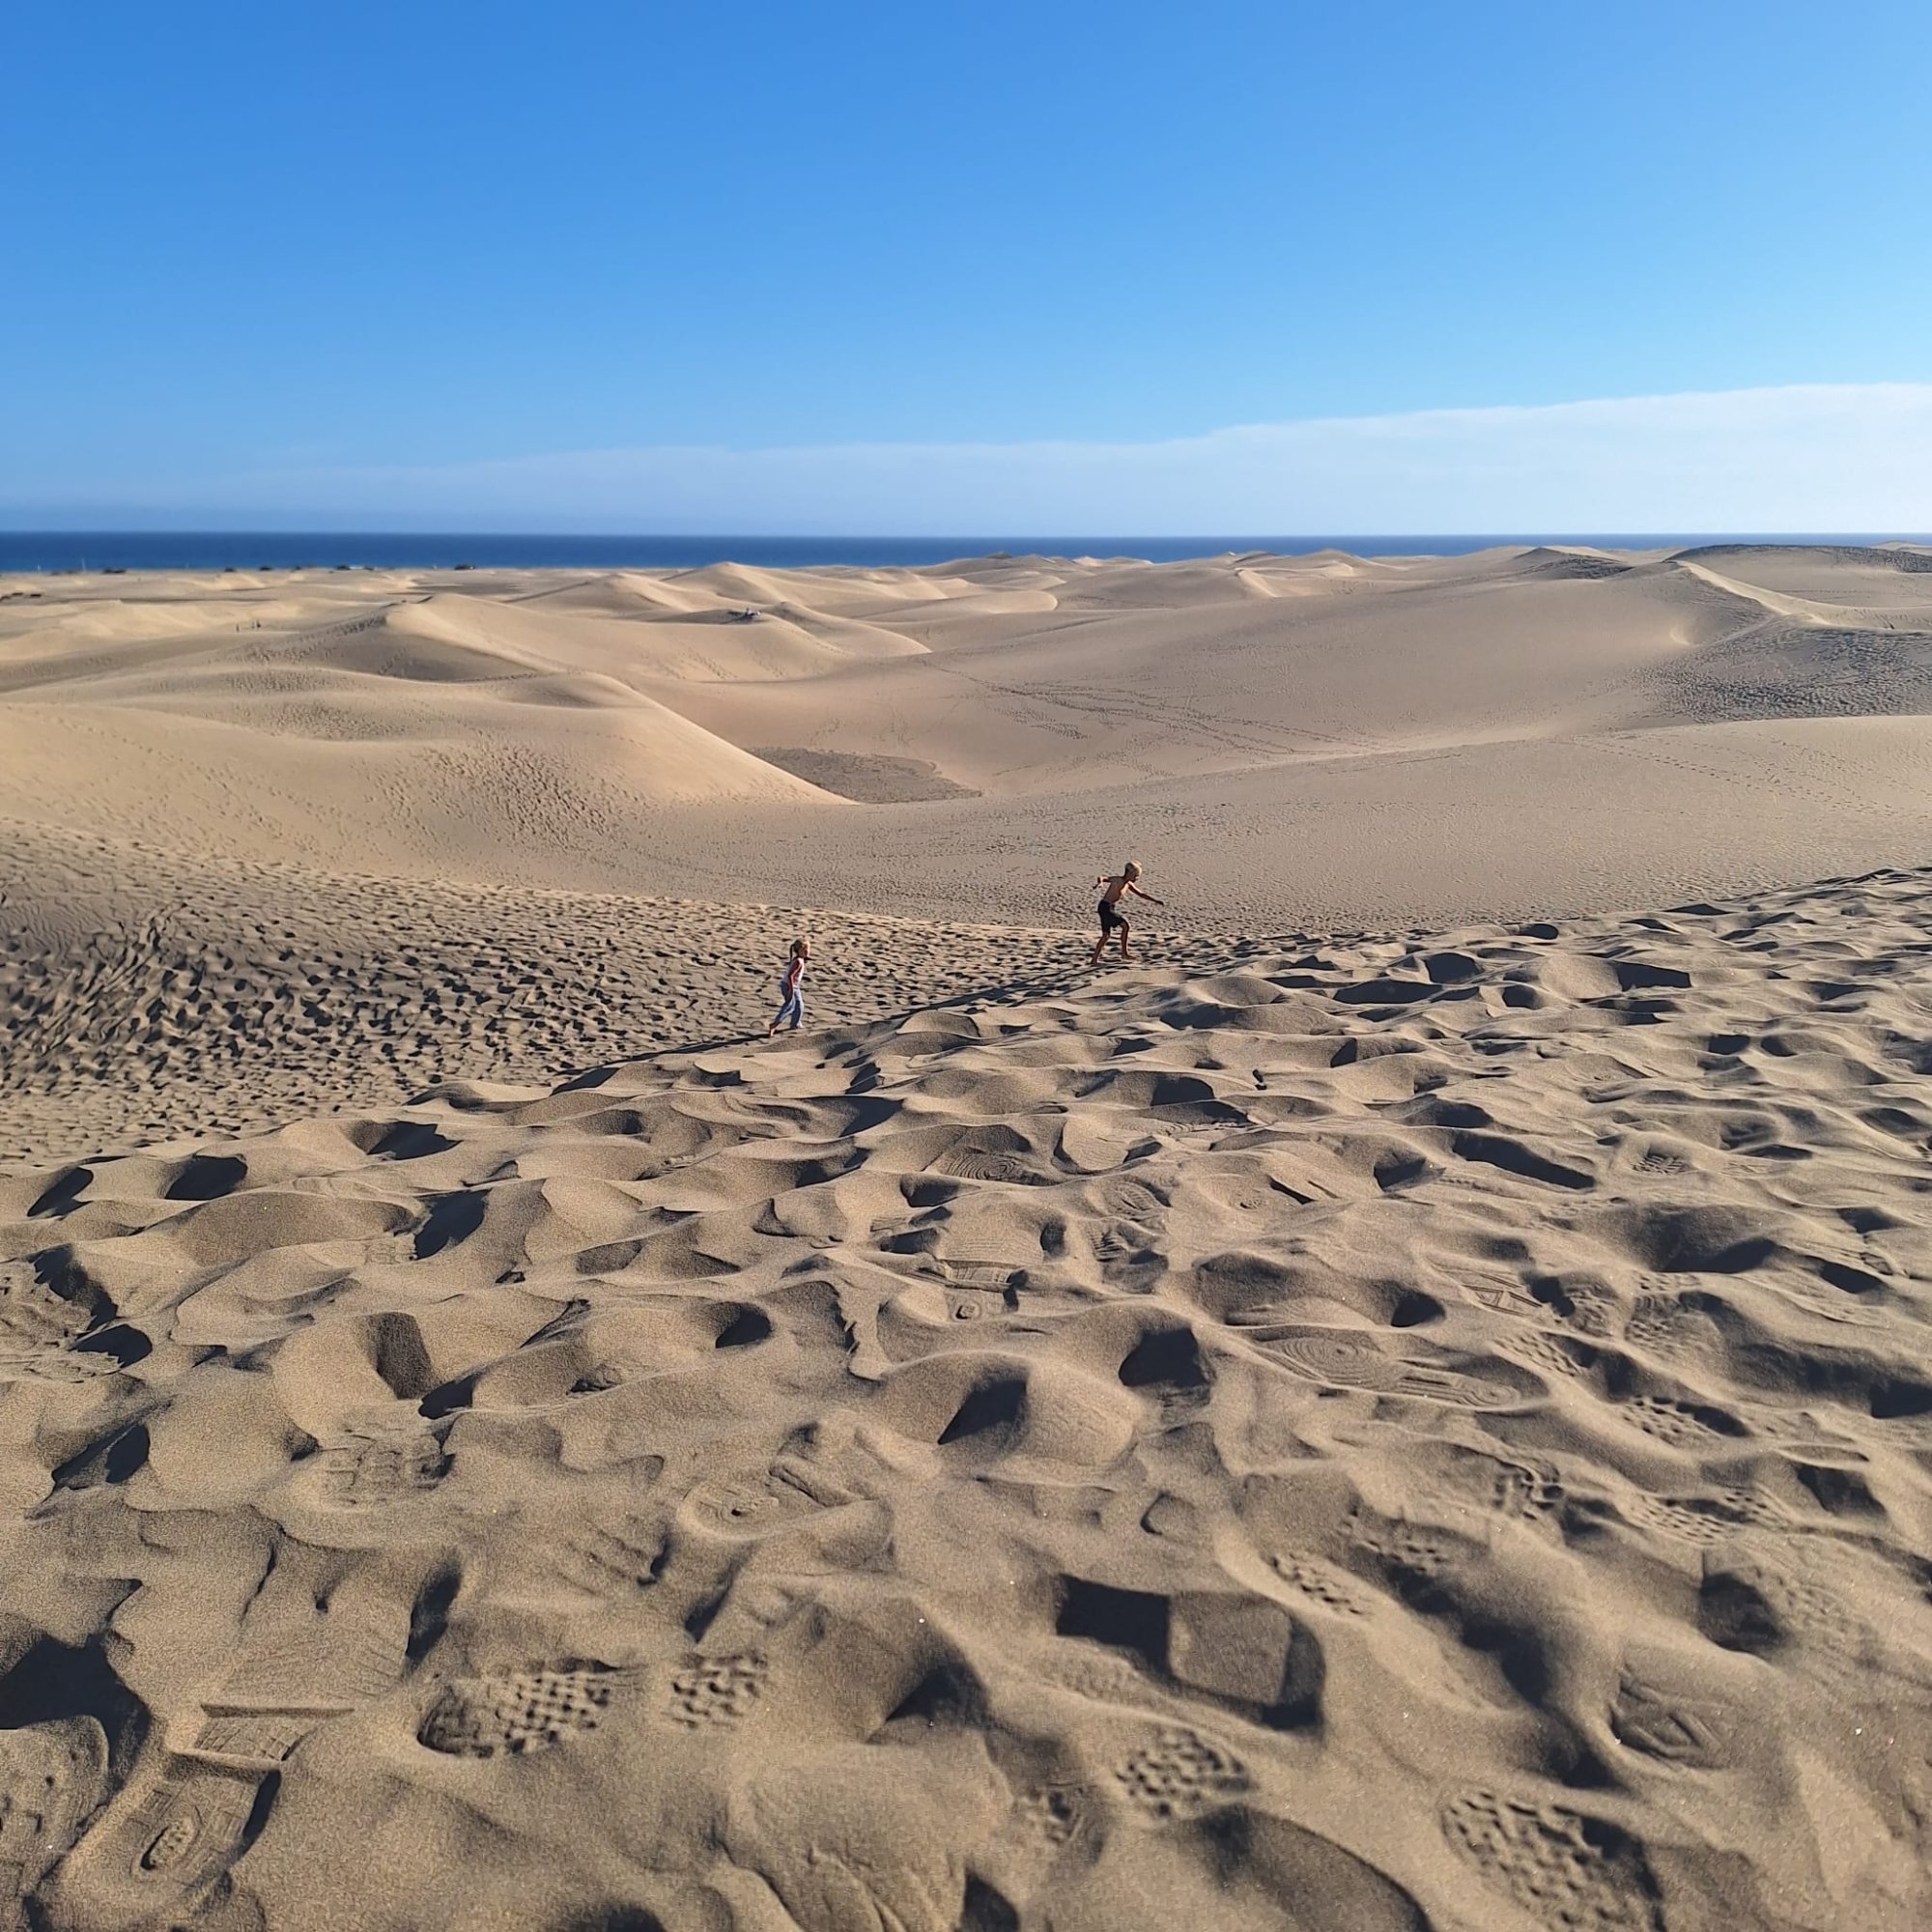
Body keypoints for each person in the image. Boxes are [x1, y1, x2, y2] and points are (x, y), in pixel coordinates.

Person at [1091, 862, 1164, 964]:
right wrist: (1100, 883)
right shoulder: (1117, 880)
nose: (1136, 878)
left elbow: (1141, 894)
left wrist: (1155, 900)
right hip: (1104, 907)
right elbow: (1102, 877)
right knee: (1125, 926)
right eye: (1135, 876)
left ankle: (1094, 960)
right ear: (1129, 873)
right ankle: (1124, 954)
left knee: (1106, 935)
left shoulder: (1129, 885)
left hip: (1110, 907)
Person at [768, 937, 810, 1035]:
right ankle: (774, 1024)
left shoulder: (799, 959)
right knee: (790, 1006)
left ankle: (795, 1024)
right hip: (789, 986)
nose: (808, 952)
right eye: (805, 950)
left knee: (799, 1005)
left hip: (794, 986)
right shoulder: (798, 961)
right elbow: (791, 975)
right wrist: (791, 989)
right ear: (799, 950)